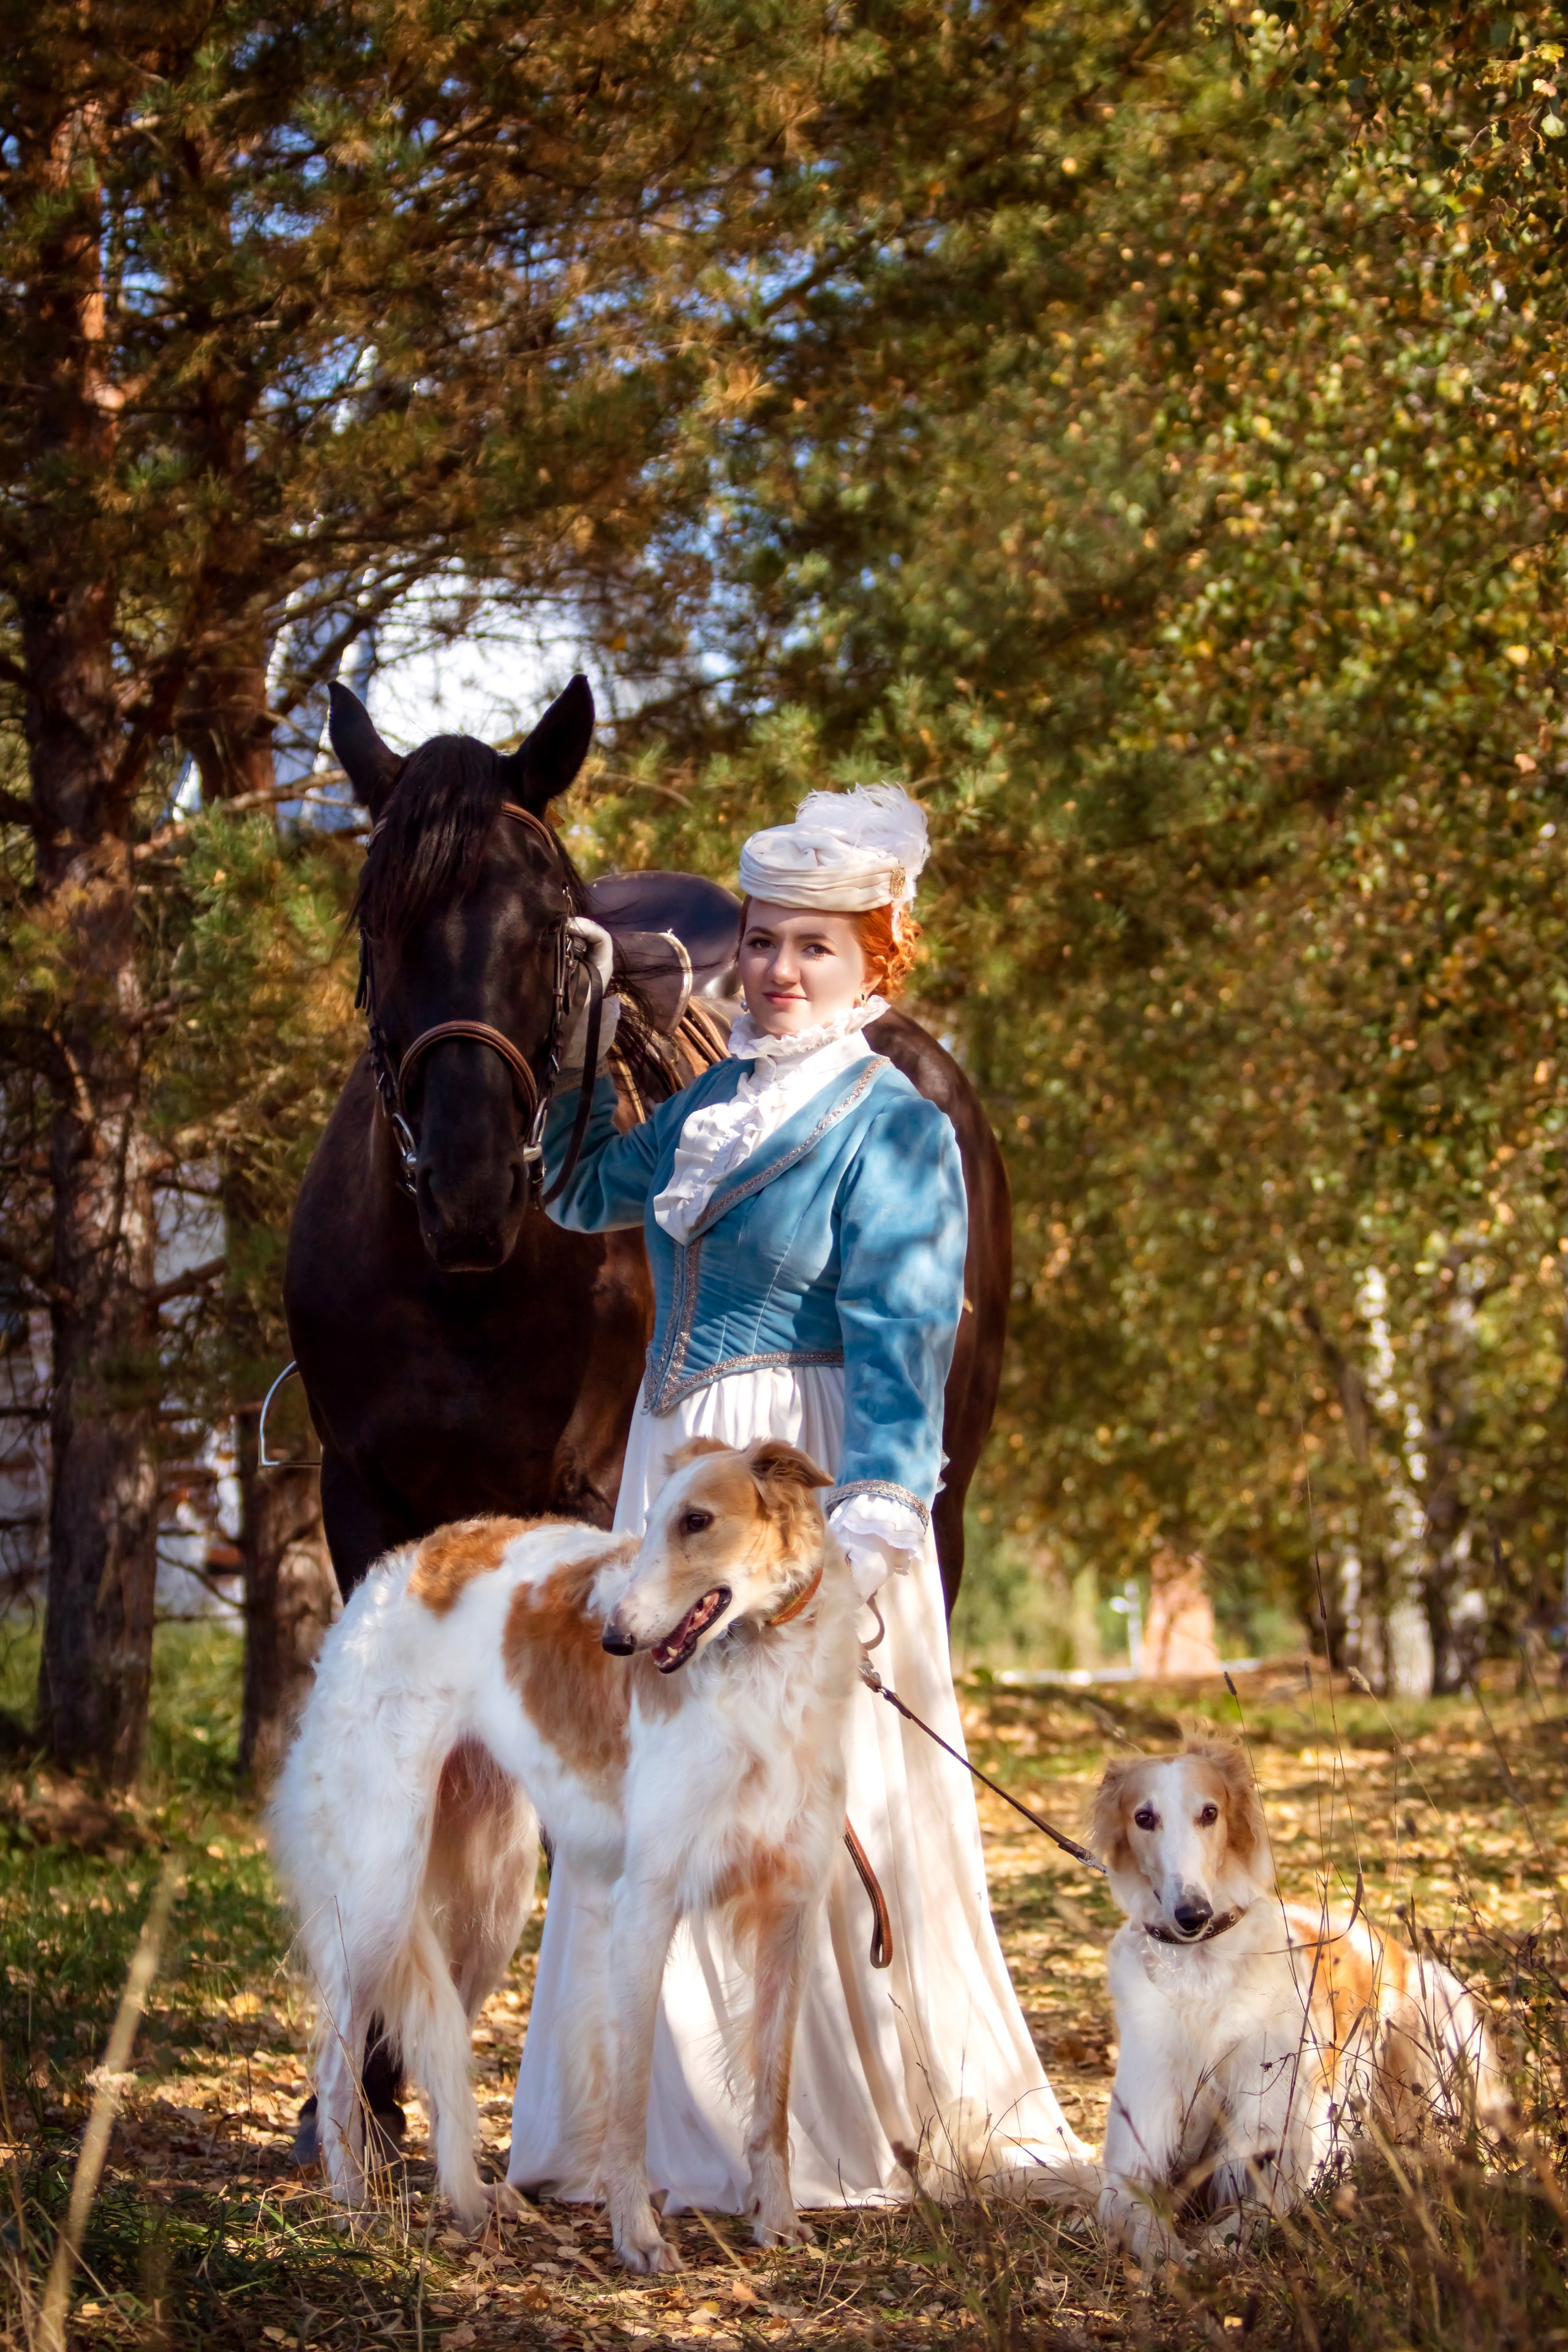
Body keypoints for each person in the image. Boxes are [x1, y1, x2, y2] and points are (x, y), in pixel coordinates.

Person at [507, 785, 1085, 2210]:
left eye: (812, 947)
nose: (775, 970)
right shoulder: (715, 1101)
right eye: (761, 941)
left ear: (875, 957)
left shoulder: (894, 1129)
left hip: (794, 1491)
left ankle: (792, 2126)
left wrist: (868, 1530)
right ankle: (637, 2124)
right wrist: (579, 1039)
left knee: (785, 1794)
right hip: (673, 1477)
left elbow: (904, 1339)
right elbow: (578, 1191)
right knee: (658, 1781)